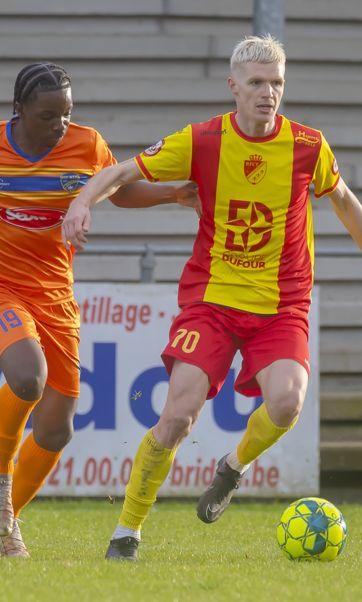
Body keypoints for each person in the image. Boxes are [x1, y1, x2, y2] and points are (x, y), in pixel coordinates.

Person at [62, 35, 362, 562]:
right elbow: (122, 172)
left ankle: (232, 466)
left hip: (282, 306)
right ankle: (126, 531)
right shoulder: (202, 140)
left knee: (287, 403)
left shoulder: (308, 145)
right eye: (257, 83)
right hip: (213, 303)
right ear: (234, 86)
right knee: (177, 415)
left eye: (277, 83)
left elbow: (344, 201)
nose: (268, 93)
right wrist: (83, 202)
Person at [0, 62, 200, 558]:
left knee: (57, 427)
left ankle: (5, 524)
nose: (60, 125)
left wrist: (173, 193)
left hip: (55, 294)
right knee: (27, 377)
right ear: (19, 109)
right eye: (48, 116)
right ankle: (4, 512)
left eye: (67, 114)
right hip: (5, 287)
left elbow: (120, 188)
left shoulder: (86, 145)